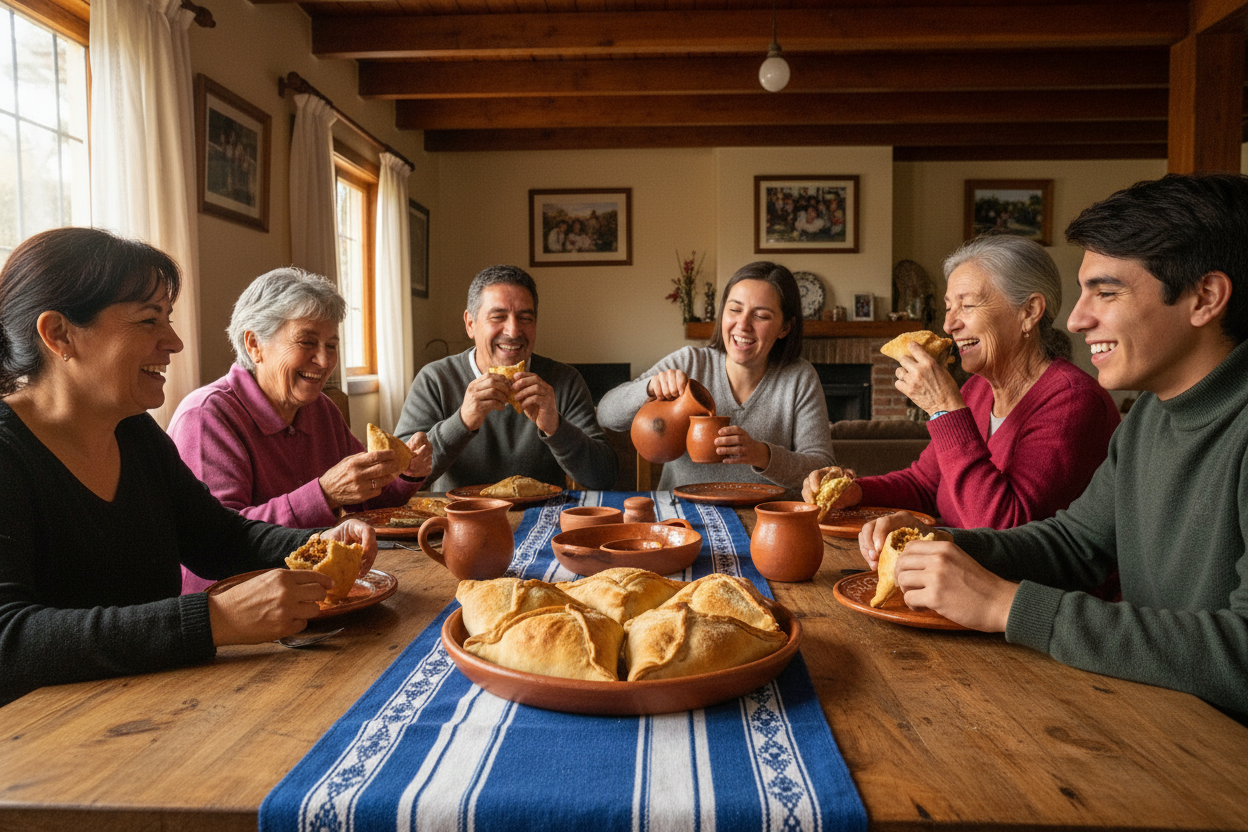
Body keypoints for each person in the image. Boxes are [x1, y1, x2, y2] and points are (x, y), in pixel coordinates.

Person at [859, 173, 1248, 723]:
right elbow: (1075, 543)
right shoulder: (1148, 419)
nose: (1077, 318)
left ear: (1204, 297)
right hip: (1154, 711)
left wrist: (1004, 605)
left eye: (1107, 292)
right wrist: (945, 545)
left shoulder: (1091, 402)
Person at [0, 228, 377, 707]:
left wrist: (315, 544)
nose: (174, 342)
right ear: (59, 334)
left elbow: (218, 538)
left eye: (168, 319)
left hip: (154, 706)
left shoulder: (134, 433)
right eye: (148, 320)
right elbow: (9, 642)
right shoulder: (9, 454)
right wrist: (213, 619)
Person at [802, 235, 1119, 529]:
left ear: (1030, 311)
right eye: (949, 307)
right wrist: (854, 492)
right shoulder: (976, 390)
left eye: (967, 305)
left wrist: (944, 409)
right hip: (958, 573)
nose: (948, 324)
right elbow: (925, 484)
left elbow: (1003, 526)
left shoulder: (1073, 401)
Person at [169, 268, 432, 593]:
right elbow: (221, 543)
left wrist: (406, 473)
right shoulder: (208, 415)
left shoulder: (321, 410)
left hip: (312, 590)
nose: (323, 360)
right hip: (234, 607)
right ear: (254, 345)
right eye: (307, 342)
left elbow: (369, 500)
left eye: (331, 345)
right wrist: (324, 494)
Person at [598, 261, 834, 496]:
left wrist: (762, 455)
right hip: (682, 518)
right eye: (734, 309)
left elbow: (822, 467)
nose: (743, 325)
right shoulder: (689, 363)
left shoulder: (799, 377)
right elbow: (606, 414)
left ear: (785, 328)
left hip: (764, 522)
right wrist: (649, 388)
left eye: (761, 315)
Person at [395, 265, 617, 492]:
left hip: (545, 519)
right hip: (463, 520)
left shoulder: (564, 381)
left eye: (525, 318)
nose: (513, 331)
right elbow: (397, 479)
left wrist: (556, 427)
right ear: (470, 324)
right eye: (498, 317)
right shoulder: (435, 380)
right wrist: (462, 422)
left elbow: (603, 478)